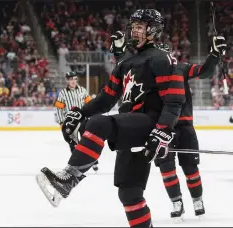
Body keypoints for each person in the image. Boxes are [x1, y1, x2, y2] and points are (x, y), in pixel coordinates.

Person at [37, 9, 186, 227]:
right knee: (129, 194)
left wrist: (163, 130)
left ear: (153, 30)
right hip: (131, 127)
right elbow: (107, 97)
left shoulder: (162, 59)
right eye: (133, 26)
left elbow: (174, 101)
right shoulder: (126, 63)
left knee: (99, 123)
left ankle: (69, 178)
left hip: (149, 123)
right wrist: (81, 112)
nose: (134, 30)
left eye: (140, 26)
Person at [110, 32, 226, 222]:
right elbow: (126, 73)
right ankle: (176, 202)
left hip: (184, 126)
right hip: (161, 129)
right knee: (167, 168)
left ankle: (197, 199)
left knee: (190, 168)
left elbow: (204, 71)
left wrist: (214, 55)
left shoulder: (180, 68)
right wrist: (119, 54)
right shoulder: (145, 72)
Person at [54, 71, 98, 172]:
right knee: (72, 143)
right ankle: (76, 164)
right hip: (70, 122)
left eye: (74, 79)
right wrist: (61, 122)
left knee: (87, 141)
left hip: (83, 119)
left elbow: (90, 104)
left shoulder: (82, 90)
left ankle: (93, 162)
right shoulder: (63, 93)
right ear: (67, 81)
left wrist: (91, 117)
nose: (73, 81)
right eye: (70, 79)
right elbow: (58, 108)